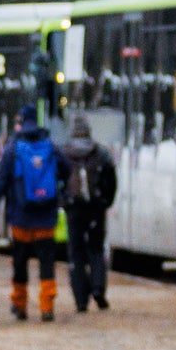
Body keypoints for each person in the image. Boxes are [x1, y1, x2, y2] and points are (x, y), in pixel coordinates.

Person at [0, 108, 64, 322]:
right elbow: (66, 168)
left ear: (20, 123)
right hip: (46, 217)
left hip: (20, 218)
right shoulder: (50, 146)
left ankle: (20, 305)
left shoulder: (13, 149)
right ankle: (47, 307)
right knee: (47, 262)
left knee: (20, 263)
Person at [61, 107, 117, 314]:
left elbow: (57, 178)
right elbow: (111, 179)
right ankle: (98, 288)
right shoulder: (100, 153)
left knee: (75, 253)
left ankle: (80, 300)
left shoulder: (64, 153)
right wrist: (106, 201)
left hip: (74, 209)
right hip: (96, 208)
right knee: (96, 249)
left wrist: (63, 201)